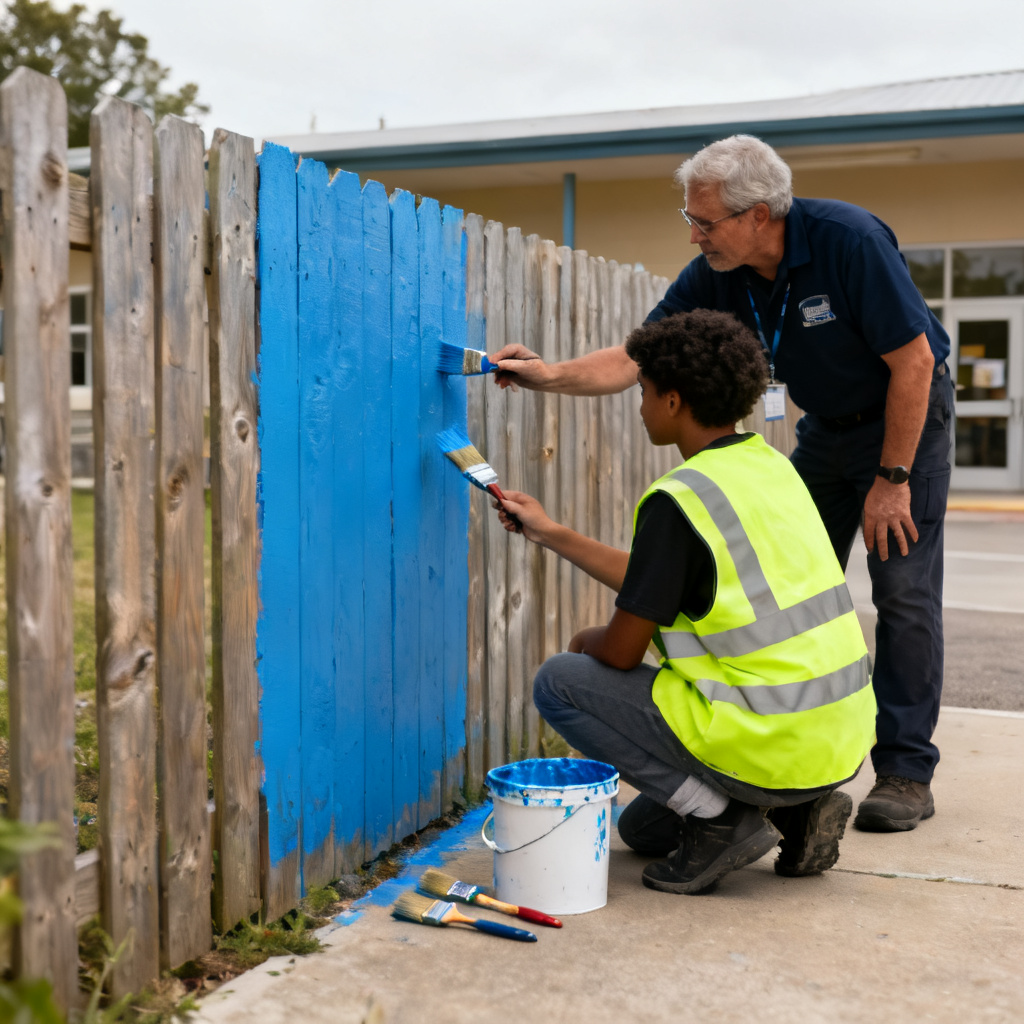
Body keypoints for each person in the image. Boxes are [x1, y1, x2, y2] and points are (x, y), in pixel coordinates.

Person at [491, 134, 954, 835]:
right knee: (788, 588)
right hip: (827, 429)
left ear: (760, 215)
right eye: (691, 219)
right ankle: (787, 762)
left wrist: (892, 479)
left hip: (903, 423)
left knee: (902, 589)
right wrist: (548, 375)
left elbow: (913, 362)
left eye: (705, 222)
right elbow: (637, 356)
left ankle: (903, 772)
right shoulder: (716, 273)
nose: (694, 234)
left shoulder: (847, 241)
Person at [495, 310, 875, 894]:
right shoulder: (772, 468)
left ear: (673, 401)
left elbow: (621, 654)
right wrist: (550, 532)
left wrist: (584, 643)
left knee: (561, 680)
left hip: (765, 735)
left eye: (643, 391)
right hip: (835, 739)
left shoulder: (680, 499)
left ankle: (726, 821)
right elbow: (667, 581)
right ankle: (795, 811)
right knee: (643, 830)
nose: (640, 404)